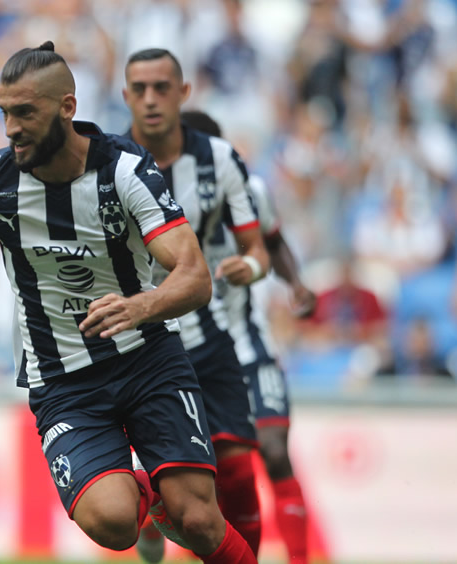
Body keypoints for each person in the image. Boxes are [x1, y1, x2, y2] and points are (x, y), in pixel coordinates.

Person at [0, 42, 256, 564]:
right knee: (114, 523)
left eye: (25, 113)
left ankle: (166, 498)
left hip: (149, 360)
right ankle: (147, 495)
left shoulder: (123, 171)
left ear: (66, 108)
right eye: (5, 113)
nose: (11, 128)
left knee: (197, 517)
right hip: (63, 383)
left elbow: (195, 277)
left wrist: (140, 307)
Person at [123, 49, 272, 562]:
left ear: (183, 93)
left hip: (210, 335)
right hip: (142, 347)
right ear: (126, 97)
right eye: (139, 89)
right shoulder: (107, 163)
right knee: (181, 491)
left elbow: (257, 249)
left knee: (238, 469)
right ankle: (149, 503)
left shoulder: (219, 158)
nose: (151, 99)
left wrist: (249, 268)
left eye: (162, 87)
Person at [181, 106, 318, 564]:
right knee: (214, 474)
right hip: (193, 352)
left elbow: (274, 241)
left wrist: (294, 282)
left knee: (275, 451)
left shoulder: (250, 190)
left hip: (248, 343)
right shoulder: (162, 198)